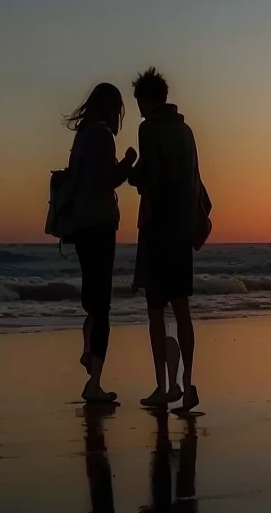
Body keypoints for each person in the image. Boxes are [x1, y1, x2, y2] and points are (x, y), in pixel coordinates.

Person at [129, 67, 204, 411]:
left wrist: (133, 176)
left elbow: (151, 177)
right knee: (183, 310)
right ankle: (187, 383)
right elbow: (196, 182)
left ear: (146, 99)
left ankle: (163, 385)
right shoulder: (186, 131)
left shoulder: (148, 129)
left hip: (158, 228)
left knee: (156, 310)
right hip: (182, 229)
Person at [63, 82, 137, 403]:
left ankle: (87, 350)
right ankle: (94, 383)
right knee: (103, 302)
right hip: (100, 223)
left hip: (79, 224)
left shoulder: (81, 136)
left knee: (91, 294)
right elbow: (108, 179)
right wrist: (128, 162)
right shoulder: (103, 135)